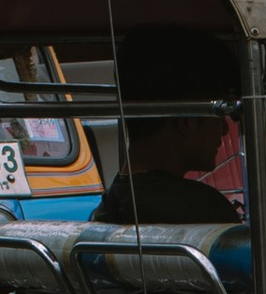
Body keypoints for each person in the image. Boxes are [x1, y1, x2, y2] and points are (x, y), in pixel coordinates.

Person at [94, 26, 241, 225]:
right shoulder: (203, 209)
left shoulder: (107, 206)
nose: (224, 129)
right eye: (220, 113)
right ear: (186, 122)